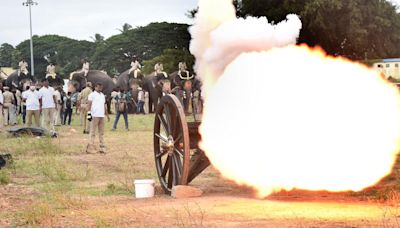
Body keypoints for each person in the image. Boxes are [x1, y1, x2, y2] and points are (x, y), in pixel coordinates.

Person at [87, 83, 109, 153]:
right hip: (94, 115)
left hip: (101, 115)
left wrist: (107, 114)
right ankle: (91, 145)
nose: (100, 89)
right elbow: (89, 104)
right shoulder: (92, 95)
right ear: (95, 87)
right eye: (99, 87)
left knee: (101, 132)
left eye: (101, 87)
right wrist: (89, 114)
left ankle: (102, 145)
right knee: (93, 131)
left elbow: (104, 105)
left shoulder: (102, 95)